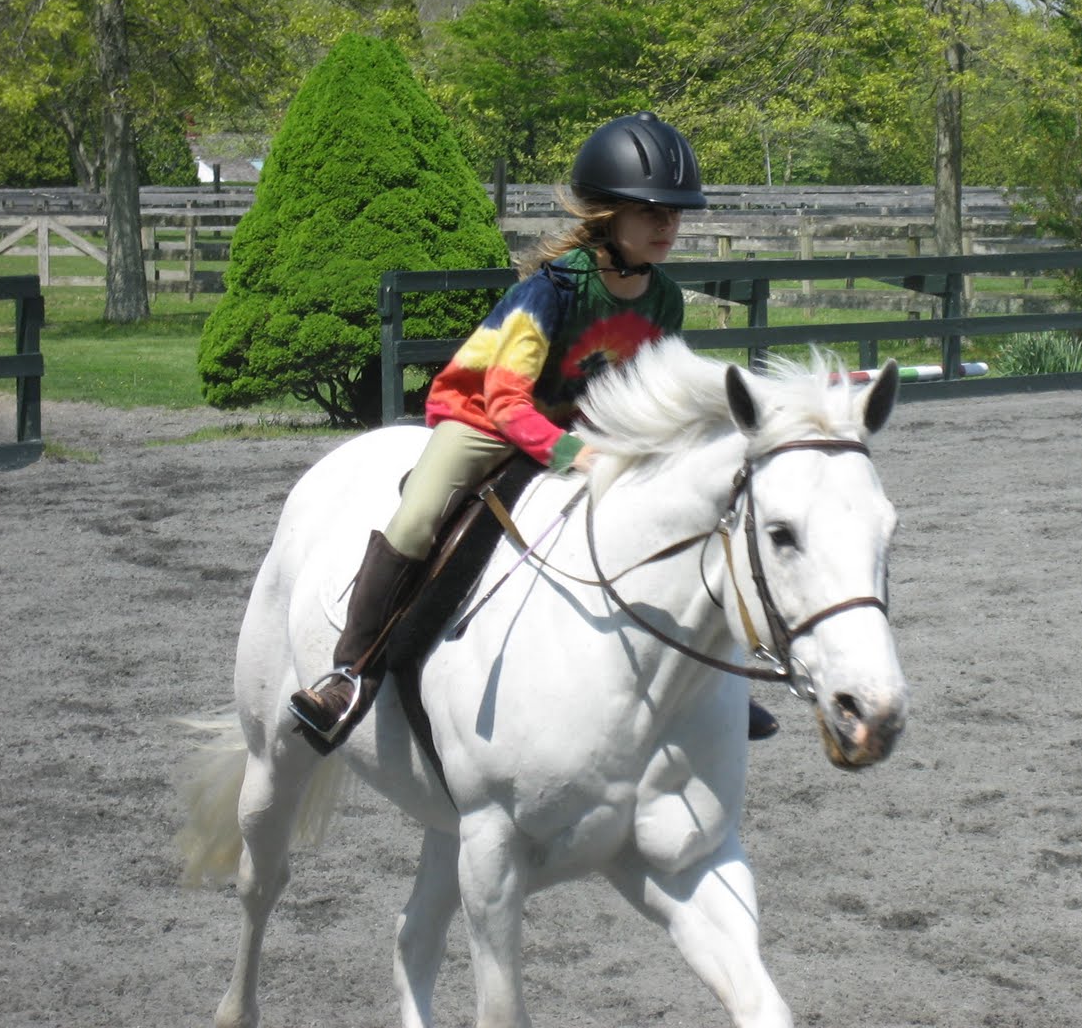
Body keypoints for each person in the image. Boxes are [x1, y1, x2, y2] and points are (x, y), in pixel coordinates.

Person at [289, 111, 780, 748]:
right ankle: (348, 674)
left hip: (583, 426)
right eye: (653, 211)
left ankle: (702, 680)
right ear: (609, 213)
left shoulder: (664, 299)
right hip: (487, 418)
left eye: (676, 213)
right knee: (416, 518)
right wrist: (576, 454)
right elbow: (505, 399)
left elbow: (652, 396)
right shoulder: (552, 289)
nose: (669, 225)